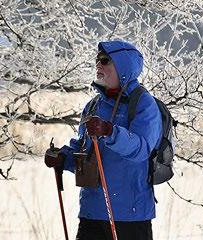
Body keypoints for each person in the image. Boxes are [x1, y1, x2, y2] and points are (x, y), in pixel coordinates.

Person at [44, 40, 162, 240]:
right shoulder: (93, 105)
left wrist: (110, 131)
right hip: (92, 212)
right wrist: (63, 158)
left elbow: (142, 149)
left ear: (123, 66)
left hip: (130, 217)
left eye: (105, 60)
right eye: (97, 60)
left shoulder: (143, 104)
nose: (98, 65)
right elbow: (86, 151)